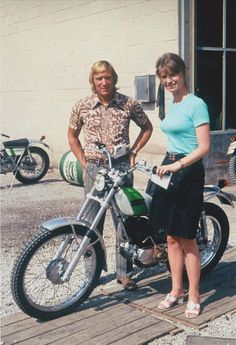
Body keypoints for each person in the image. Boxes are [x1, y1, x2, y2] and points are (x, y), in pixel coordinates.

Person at [68, 60, 153, 291]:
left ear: (114, 79)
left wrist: (134, 151)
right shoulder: (83, 105)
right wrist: (83, 161)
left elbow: (147, 127)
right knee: (90, 221)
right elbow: (72, 134)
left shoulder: (128, 104)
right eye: (99, 78)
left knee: (124, 221)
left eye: (107, 77)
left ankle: (124, 274)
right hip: (94, 169)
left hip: (121, 168)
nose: (103, 82)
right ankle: (91, 273)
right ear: (93, 81)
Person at [151, 53, 210, 318]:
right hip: (169, 168)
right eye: (164, 76)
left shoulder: (196, 104)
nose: (169, 80)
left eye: (172, 74)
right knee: (171, 237)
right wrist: (167, 164)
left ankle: (194, 294)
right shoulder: (171, 104)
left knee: (187, 238)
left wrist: (178, 165)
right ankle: (176, 290)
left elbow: (204, 147)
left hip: (188, 171)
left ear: (183, 73)